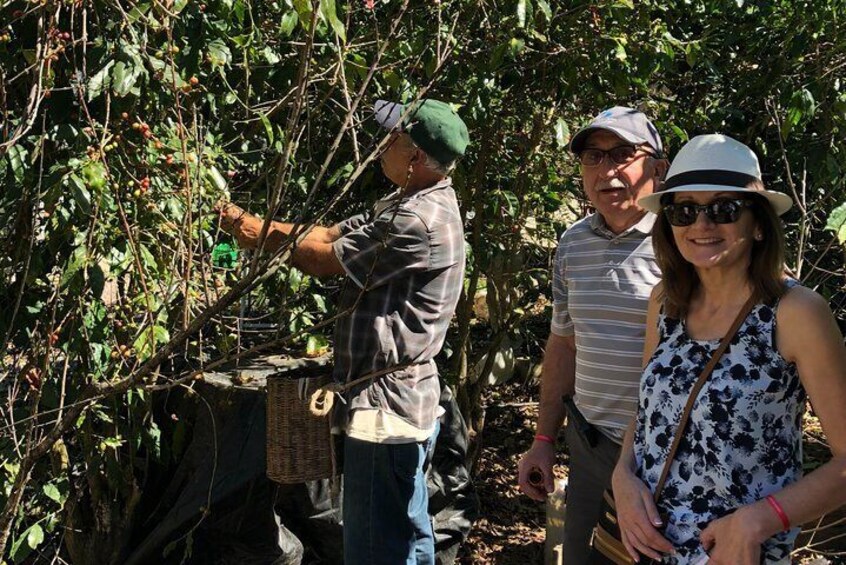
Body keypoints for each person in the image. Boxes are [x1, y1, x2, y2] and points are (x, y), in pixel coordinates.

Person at [218, 98, 469, 565]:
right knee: (410, 538)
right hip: (400, 403)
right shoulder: (408, 202)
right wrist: (256, 226)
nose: (382, 146)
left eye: (392, 138)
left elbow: (323, 260)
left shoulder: (416, 221)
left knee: (375, 550)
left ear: (414, 157)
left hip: (387, 410)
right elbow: (330, 235)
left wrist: (251, 231)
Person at [611, 134, 846, 564]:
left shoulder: (795, 313)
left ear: (757, 224)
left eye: (724, 209)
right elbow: (648, 414)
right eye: (684, 211)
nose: (701, 225)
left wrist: (760, 521)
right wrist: (622, 476)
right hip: (649, 551)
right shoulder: (666, 302)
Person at [517, 106, 668, 562]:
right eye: (593, 157)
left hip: (666, 457)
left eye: (623, 154)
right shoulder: (573, 243)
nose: (607, 170)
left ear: (658, 169)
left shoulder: (686, 240)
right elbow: (565, 342)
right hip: (591, 447)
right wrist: (543, 441)